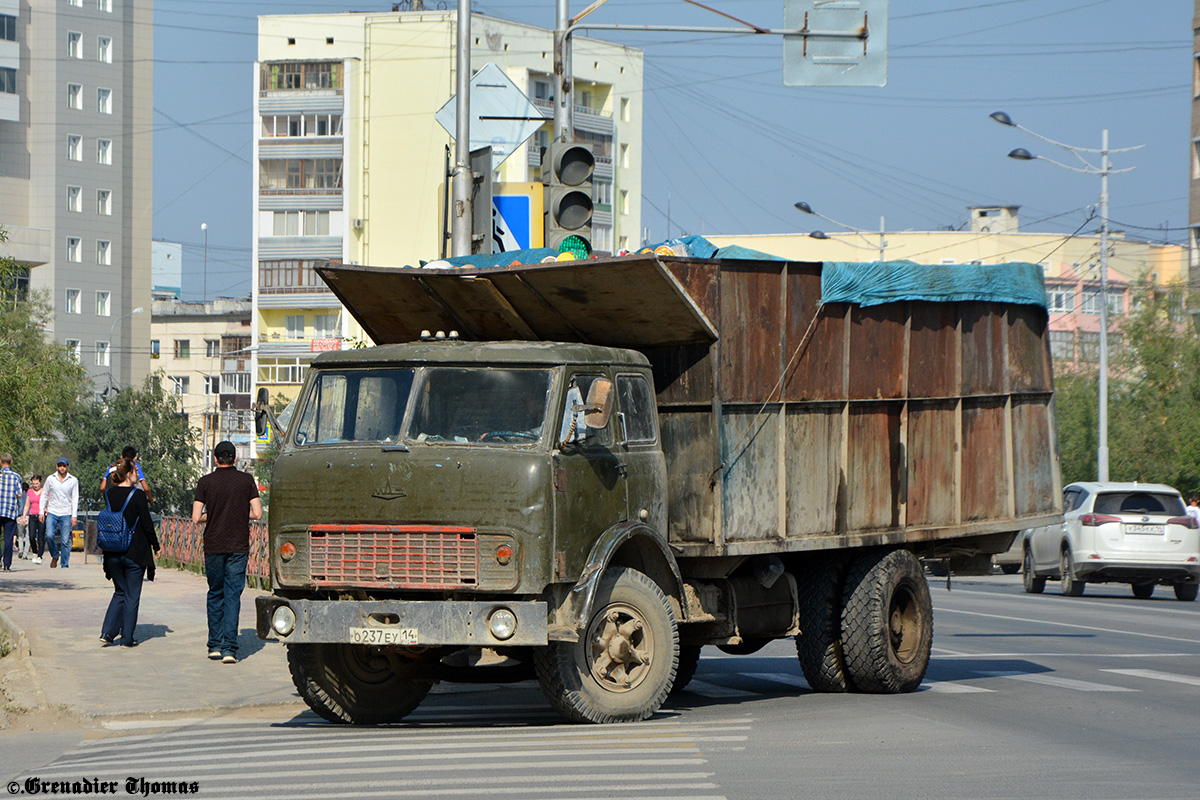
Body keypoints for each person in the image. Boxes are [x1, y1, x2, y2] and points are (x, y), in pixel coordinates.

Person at [192, 441, 262, 664]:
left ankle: (214, 645)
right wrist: (240, 513)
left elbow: (195, 518)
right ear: (234, 458)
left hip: (213, 545)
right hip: (238, 547)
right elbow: (258, 513)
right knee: (232, 595)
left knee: (215, 593)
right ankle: (230, 649)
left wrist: (212, 515)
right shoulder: (246, 480)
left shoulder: (205, 482)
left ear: (215, 459)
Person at [99, 457, 160, 648]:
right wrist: (156, 546)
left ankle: (108, 633)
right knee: (132, 595)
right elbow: (147, 524)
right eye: (135, 471)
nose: (138, 475)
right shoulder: (138, 495)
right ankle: (126, 638)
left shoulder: (108, 494)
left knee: (120, 591)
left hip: (112, 551)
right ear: (129, 474)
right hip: (135, 552)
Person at [40, 457, 79, 569]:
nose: (62, 468)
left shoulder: (73, 480)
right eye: (60, 466)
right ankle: (55, 555)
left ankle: (64, 565)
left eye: (64, 466)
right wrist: (41, 511)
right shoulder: (51, 479)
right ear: (57, 467)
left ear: (67, 467)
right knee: (49, 535)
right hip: (52, 511)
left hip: (66, 512)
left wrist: (74, 515)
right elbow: (44, 494)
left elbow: (75, 498)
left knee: (65, 540)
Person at [0, 454, 22, 572]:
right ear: (11, 462)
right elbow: (19, 494)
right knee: (8, 539)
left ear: (0, 461)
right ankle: (7, 565)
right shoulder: (16, 476)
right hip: (10, 511)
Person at [23, 475, 44, 564]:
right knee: (31, 536)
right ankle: (35, 551)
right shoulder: (30, 492)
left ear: (40, 483)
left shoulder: (44, 491)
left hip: (41, 516)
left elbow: (49, 502)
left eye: (37, 483)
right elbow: (27, 505)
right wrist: (24, 517)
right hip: (32, 516)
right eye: (33, 484)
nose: (35, 485)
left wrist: (46, 509)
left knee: (41, 537)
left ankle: (40, 555)